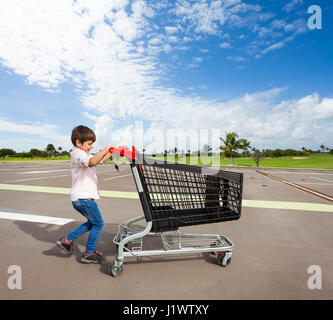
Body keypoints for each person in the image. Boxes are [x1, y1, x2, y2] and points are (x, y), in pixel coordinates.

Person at [56, 125, 112, 264]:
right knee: (98, 223)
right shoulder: (78, 154)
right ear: (78, 143)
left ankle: (67, 240)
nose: (91, 146)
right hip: (83, 198)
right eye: (89, 144)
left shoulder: (83, 153)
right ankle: (88, 253)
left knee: (93, 223)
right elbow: (93, 162)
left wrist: (113, 150)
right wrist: (105, 148)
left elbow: (100, 159)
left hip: (82, 198)